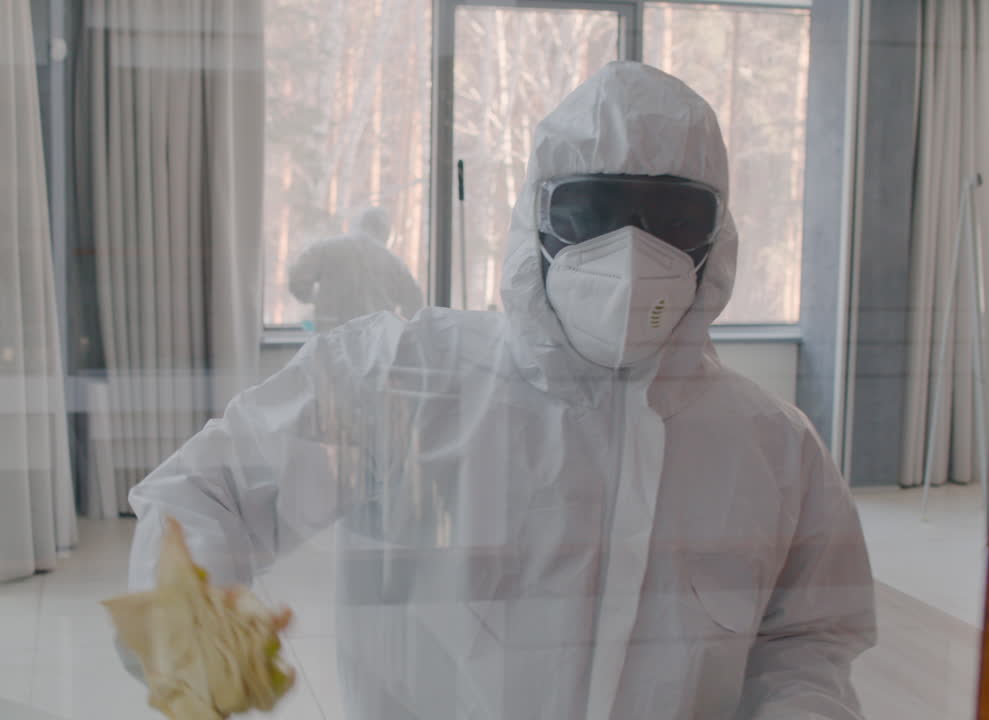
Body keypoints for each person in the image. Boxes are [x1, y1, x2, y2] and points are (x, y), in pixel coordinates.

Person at [123, 61, 876, 719]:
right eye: (594, 211)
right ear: (536, 219)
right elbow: (207, 492)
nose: (632, 250)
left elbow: (807, 638)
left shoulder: (772, 448)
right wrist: (190, 625)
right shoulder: (403, 378)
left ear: (717, 238)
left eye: (674, 216)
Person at [287, 207, 424, 332]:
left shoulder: (327, 248)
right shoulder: (394, 263)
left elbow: (297, 280)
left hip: (331, 335)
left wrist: (319, 299)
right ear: (386, 232)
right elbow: (415, 303)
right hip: (376, 341)